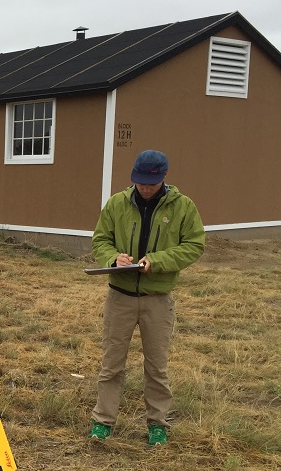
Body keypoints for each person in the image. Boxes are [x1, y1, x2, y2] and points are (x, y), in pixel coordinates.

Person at [88, 149, 205, 446]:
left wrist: (158, 260)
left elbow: (194, 245)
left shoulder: (183, 207)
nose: (145, 188)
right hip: (120, 297)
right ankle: (102, 421)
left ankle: (157, 424)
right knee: (111, 364)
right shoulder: (117, 203)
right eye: (140, 182)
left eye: (150, 184)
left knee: (156, 366)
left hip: (158, 299)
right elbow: (100, 240)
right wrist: (114, 258)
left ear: (163, 178)